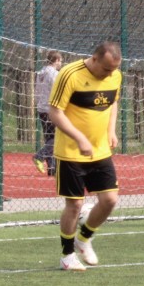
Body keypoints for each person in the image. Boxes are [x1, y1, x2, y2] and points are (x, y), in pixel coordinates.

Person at [47, 41, 123, 271]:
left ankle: (84, 238)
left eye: (113, 69)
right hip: (71, 152)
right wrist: (79, 138)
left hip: (100, 151)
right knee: (75, 205)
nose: (109, 74)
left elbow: (113, 103)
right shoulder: (69, 74)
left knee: (110, 200)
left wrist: (111, 130)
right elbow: (54, 112)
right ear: (95, 58)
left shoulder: (115, 75)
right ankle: (67, 255)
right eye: (106, 69)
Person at [32, 50, 63, 176]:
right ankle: (39, 156)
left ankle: (52, 168)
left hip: (41, 108)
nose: (61, 63)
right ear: (56, 60)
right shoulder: (54, 74)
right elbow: (59, 91)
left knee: (49, 138)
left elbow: (37, 90)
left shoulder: (41, 73)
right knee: (58, 137)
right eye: (60, 61)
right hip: (51, 109)